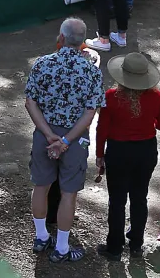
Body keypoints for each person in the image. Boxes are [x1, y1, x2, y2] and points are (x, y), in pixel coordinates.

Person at [25, 16, 105, 264]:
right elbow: (90, 113)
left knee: (41, 185)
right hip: (75, 140)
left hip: (44, 135)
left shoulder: (42, 64)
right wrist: (67, 140)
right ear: (83, 44)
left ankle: (40, 237)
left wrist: (49, 135)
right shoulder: (91, 72)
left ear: (61, 38)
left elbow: (30, 102)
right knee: (69, 192)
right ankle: (61, 248)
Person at [95, 51, 160, 261]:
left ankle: (115, 247)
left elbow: (102, 129)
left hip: (118, 152)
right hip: (145, 151)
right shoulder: (155, 96)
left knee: (117, 201)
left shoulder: (111, 96)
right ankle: (136, 244)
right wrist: (148, 121)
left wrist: (99, 155)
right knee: (139, 198)